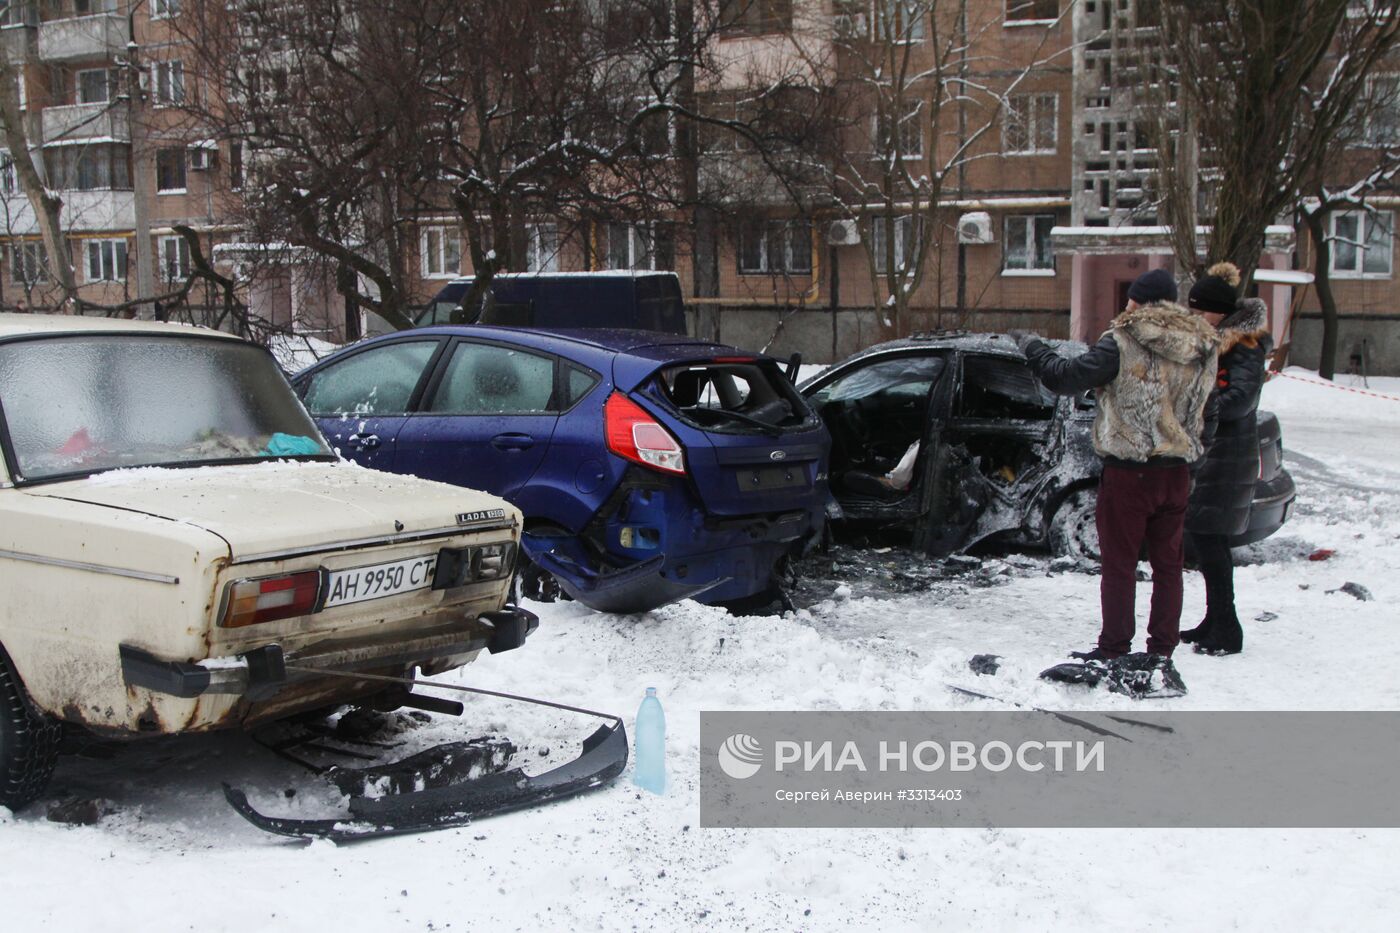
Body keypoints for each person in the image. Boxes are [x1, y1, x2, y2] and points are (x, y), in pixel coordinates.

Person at [1011, 267, 1219, 664]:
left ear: (1138, 302)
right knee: (1168, 567)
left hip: (1130, 473)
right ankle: (1160, 651)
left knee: (1120, 566)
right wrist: (1194, 457)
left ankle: (1114, 648)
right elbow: (1214, 409)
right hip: (1175, 473)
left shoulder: (1123, 342)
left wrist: (1032, 347)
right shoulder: (1202, 346)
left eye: (1130, 299)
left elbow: (1067, 378)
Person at [1179, 262, 1272, 656]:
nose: (1195, 317)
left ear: (1220, 310)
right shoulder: (1215, 340)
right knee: (1206, 539)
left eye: (1201, 310)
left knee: (1210, 540)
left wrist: (1195, 401)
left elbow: (1240, 401)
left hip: (1228, 455)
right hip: (1213, 452)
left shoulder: (1245, 345)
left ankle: (1227, 629)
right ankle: (1215, 619)